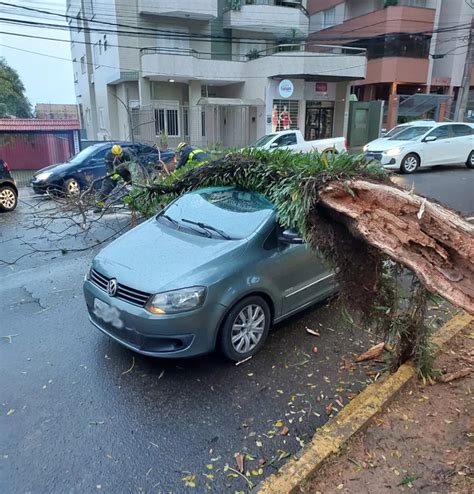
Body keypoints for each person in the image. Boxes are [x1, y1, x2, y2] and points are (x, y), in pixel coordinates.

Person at [95, 144, 132, 210]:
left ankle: (132, 203)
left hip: (126, 172)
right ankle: (99, 205)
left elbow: (131, 166)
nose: (118, 156)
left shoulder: (126, 154)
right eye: (116, 155)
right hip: (114, 173)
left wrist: (127, 179)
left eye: (119, 155)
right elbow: (109, 169)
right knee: (106, 187)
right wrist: (118, 178)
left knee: (132, 186)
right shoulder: (108, 155)